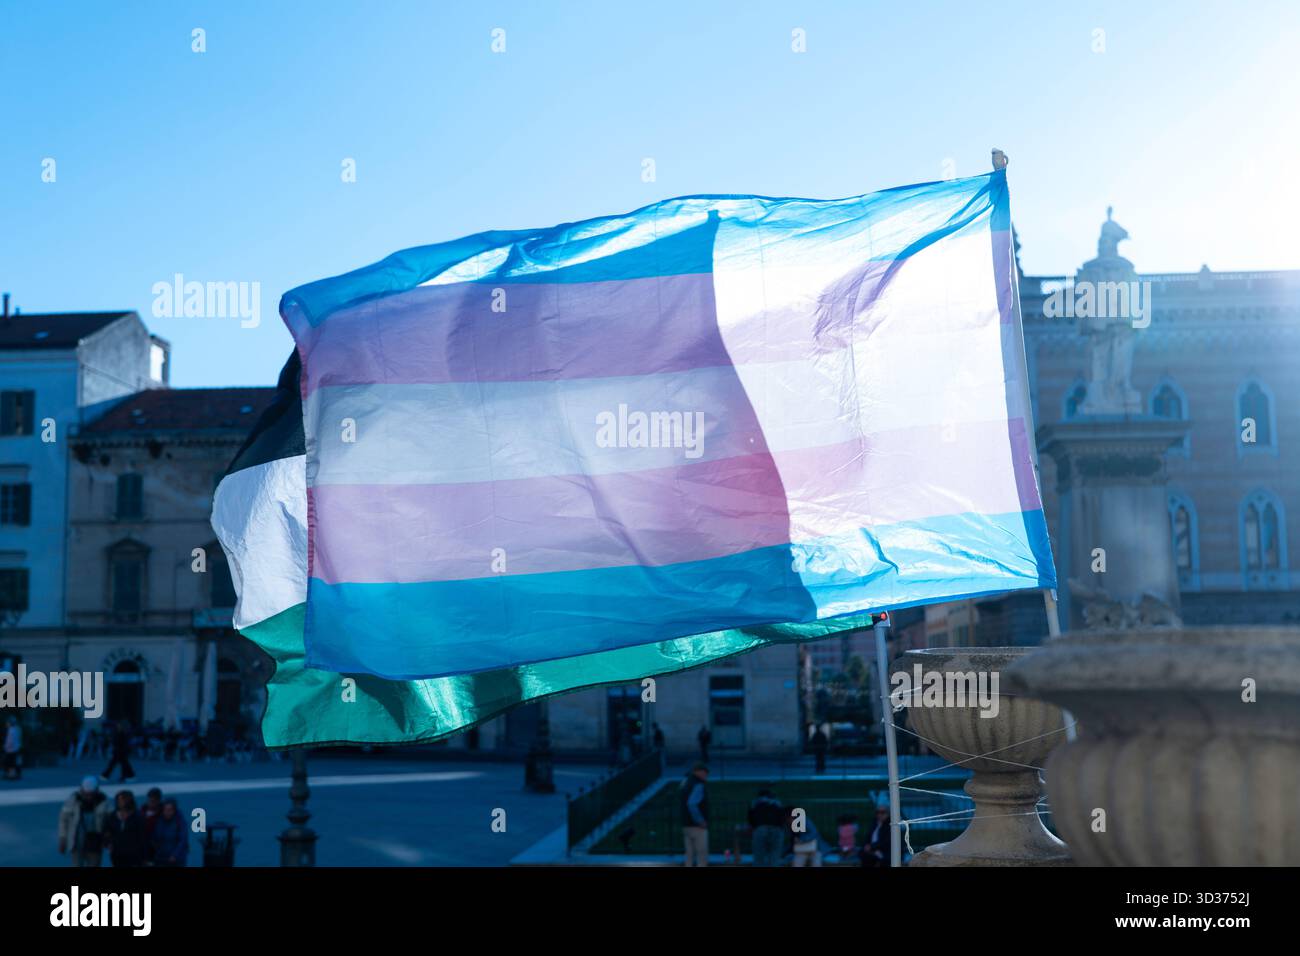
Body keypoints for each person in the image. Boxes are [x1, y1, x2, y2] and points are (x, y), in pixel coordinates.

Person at [58, 776, 111, 867]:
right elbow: (63, 820)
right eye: (86, 794)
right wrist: (63, 838)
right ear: (81, 790)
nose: (88, 797)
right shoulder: (73, 800)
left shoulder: (104, 801)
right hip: (77, 840)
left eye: (91, 794)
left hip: (95, 841)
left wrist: (108, 837)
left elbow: (111, 821)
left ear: (96, 791)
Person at [105, 790, 148, 867]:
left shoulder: (138, 817)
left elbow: (142, 838)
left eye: (123, 800)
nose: (120, 802)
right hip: (117, 854)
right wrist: (108, 843)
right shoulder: (113, 816)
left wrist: (144, 857)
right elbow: (108, 832)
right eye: (119, 800)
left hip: (134, 855)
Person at [680, 762, 709, 867]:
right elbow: (692, 804)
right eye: (705, 774)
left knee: (689, 855)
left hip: (686, 824)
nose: (706, 777)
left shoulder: (685, 783)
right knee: (702, 855)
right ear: (700, 772)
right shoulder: (698, 785)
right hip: (697, 826)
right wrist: (700, 821)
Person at [747, 787, 786, 867]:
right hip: (776, 829)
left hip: (760, 829)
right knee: (774, 856)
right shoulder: (777, 803)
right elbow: (782, 817)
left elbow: (750, 819)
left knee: (759, 857)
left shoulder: (755, 803)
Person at [150, 798, 189, 867]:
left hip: (177, 860)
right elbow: (155, 837)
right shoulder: (159, 821)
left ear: (174, 811)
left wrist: (175, 855)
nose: (167, 812)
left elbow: (182, 840)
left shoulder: (179, 822)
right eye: (165, 810)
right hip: (161, 858)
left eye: (170, 810)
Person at [3, 716, 21, 780]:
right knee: (13, 763)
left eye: (7, 723)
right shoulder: (16, 729)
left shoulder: (11, 730)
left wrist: (5, 747)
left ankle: (11, 775)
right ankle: (13, 775)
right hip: (15, 749)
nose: (6, 724)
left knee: (10, 763)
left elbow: (10, 741)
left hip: (10, 750)